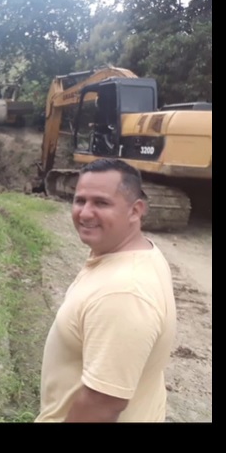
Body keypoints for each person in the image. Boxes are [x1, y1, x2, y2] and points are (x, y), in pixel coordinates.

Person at [35, 158, 177, 422]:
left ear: (135, 211)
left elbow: (102, 405)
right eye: (80, 200)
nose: (85, 213)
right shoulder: (134, 253)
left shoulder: (124, 293)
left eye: (101, 203)